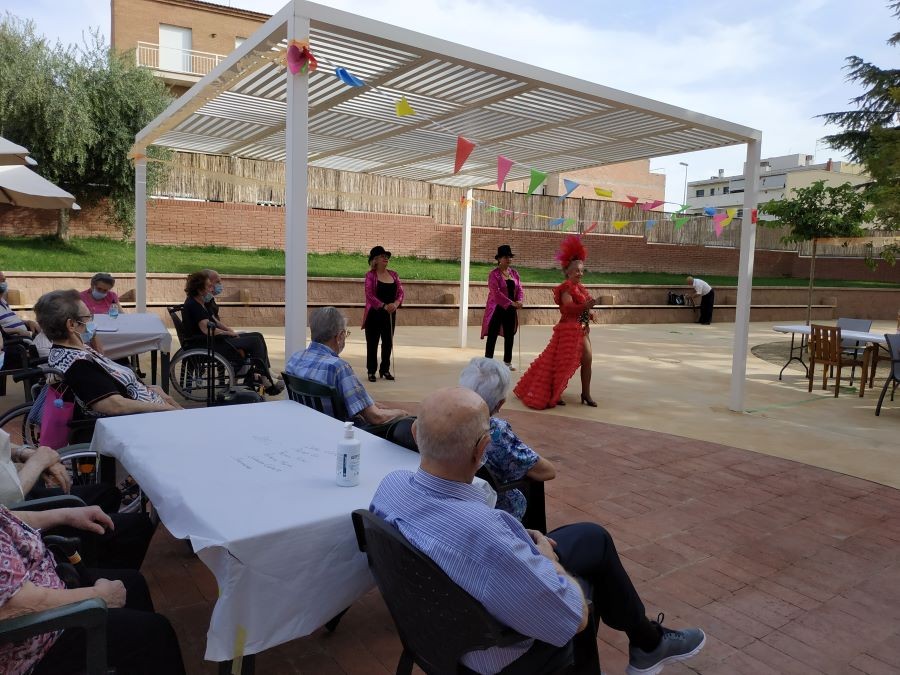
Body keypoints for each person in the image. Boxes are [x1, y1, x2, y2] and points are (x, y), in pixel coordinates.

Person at [371, 387, 705, 675]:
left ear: (415, 433)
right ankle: (646, 644)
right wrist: (548, 561)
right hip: (492, 653)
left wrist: (520, 542)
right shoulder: (488, 532)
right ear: (482, 449)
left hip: (432, 626)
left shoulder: (391, 487)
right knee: (584, 590)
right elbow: (574, 619)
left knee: (593, 538)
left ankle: (647, 641)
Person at [0, 503, 186, 675]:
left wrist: (66, 514)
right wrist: (99, 597)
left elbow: (6, 518)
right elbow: (13, 606)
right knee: (155, 633)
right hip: (33, 645)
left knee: (133, 584)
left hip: (47, 578)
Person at [34, 289, 181, 417]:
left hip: (150, 405)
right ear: (71, 324)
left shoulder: (73, 348)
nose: (92, 321)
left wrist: (153, 392)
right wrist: (165, 408)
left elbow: (104, 363)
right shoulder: (77, 364)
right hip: (142, 419)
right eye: (88, 317)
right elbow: (115, 406)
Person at [459, 357, 555, 520]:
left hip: (457, 494)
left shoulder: (438, 419)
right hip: (491, 506)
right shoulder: (496, 432)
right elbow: (547, 471)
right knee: (533, 479)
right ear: (500, 403)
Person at [286, 306, 410, 427]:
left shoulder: (295, 359)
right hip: (340, 431)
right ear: (340, 336)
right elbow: (375, 417)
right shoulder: (338, 367)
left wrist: (368, 403)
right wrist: (402, 413)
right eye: (346, 334)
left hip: (307, 426)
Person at [514, 235, 598, 409]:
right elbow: (568, 308)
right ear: (568, 272)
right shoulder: (566, 287)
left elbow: (582, 306)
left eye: (582, 271)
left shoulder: (580, 288)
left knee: (586, 359)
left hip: (581, 328)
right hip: (569, 329)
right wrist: (585, 306)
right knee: (563, 363)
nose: (580, 274)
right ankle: (555, 393)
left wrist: (590, 312)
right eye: (577, 271)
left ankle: (585, 393)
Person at [181, 271, 284, 396]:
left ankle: (264, 374)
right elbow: (207, 330)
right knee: (255, 341)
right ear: (199, 289)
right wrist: (227, 334)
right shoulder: (194, 305)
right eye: (209, 286)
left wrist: (229, 331)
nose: (212, 289)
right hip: (206, 344)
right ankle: (264, 378)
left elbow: (214, 321)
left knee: (258, 335)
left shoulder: (200, 302)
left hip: (211, 341)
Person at [362, 246, 404, 383]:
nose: (386, 258)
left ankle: (385, 369)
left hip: (390, 314)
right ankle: (371, 371)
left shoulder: (394, 275)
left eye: (386, 256)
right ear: (375, 260)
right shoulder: (370, 276)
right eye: (382, 256)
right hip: (374, 314)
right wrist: (384, 306)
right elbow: (369, 295)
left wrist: (395, 304)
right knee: (372, 343)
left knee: (388, 342)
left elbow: (401, 292)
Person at [482, 245, 524, 371]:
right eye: (506, 257)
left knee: (509, 335)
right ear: (499, 259)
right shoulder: (494, 274)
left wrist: (519, 300)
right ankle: (488, 362)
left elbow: (520, 288)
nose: (508, 259)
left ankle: (507, 362)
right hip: (497, 309)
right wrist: (511, 303)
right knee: (492, 334)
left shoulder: (514, 273)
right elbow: (496, 293)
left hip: (510, 309)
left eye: (510, 257)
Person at [0, 271, 40, 337]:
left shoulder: (3, 302)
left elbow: (10, 321)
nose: (4, 283)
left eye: (4, 280)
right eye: (1, 280)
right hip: (14, 340)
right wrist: (18, 331)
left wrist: (28, 322)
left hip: (25, 336)